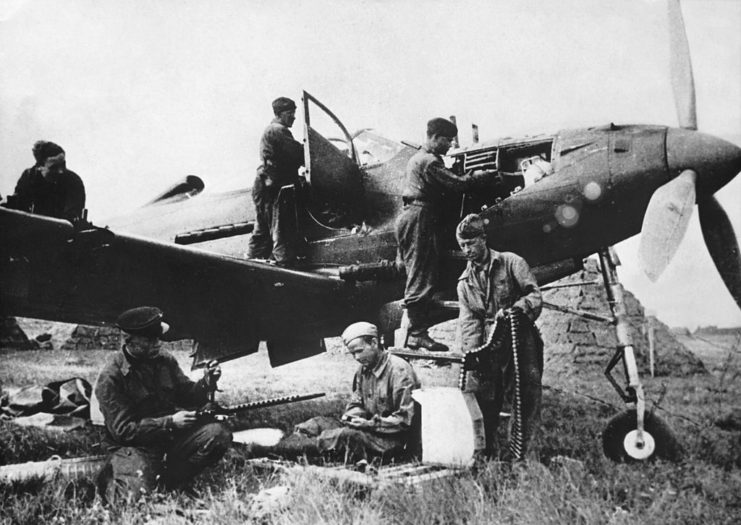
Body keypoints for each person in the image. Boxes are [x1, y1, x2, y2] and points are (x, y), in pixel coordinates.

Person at [94, 306, 232, 502]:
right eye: (150, 340)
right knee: (134, 497)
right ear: (129, 341)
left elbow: (188, 395)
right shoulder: (111, 377)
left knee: (218, 435)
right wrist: (170, 422)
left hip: (168, 440)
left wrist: (207, 382)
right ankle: (151, 478)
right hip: (135, 447)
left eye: (158, 338)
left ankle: (172, 481)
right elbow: (124, 431)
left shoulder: (164, 360)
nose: (158, 343)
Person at [455, 213, 543, 460]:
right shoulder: (465, 282)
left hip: (519, 338)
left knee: (525, 396)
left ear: (483, 239)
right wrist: (472, 355)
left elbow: (534, 296)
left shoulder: (511, 262)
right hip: (489, 344)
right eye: (462, 246)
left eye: (471, 243)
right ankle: (487, 453)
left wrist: (518, 310)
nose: (467, 250)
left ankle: (525, 455)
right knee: (485, 397)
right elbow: (470, 322)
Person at [396, 117, 487, 352]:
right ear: (435, 137)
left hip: (416, 215)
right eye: (447, 140)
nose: (449, 145)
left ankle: (418, 330)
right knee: (421, 273)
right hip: (419, 218)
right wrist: (479, 177)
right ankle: (416, 334)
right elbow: (456, 185)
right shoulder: (428, 162)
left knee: (421, 269)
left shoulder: (422, 158)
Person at [275, 322, 421, 463]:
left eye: (359, 351)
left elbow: (404, 420)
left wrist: (369, 424)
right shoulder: (363, 370)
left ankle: (271, 450)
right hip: (367, 430)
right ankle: (287, 450)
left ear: (374, 343)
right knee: (315, 424)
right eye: (352, 354)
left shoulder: (400, 371)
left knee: (345, 436)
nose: (356, 358)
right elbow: (357, 402)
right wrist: (352, 417)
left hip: (391, 441)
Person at [247, 96, 305, 266]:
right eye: (290, 113)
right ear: (279, 114)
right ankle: (283, 262)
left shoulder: (273, 130)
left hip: (266, 184)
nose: (293, 117)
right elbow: (298, 154)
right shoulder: (278, 130)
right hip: (271, 185)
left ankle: (251, 261)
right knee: (279, 225)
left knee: (263, 227)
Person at [5, 141, 86, 221]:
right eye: (54, 167)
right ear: (40, 167)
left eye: (63, 164)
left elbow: (71, 216)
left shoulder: (74, 182)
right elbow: (17, 205)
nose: (61, 171)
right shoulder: (29, 177)